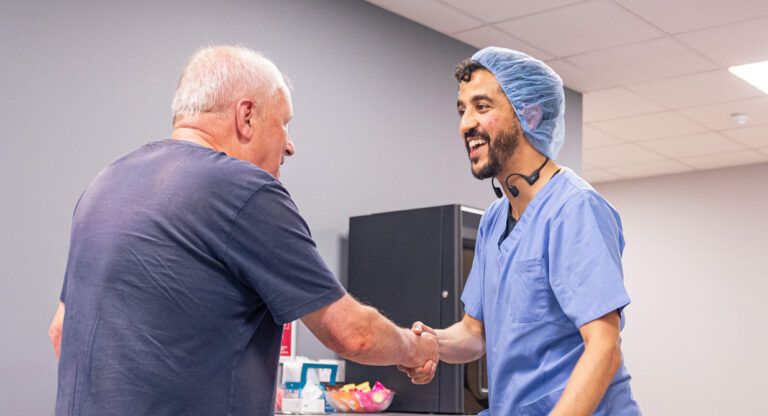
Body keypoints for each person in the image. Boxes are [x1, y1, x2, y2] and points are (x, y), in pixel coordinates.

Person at [48, 45, 437, 416]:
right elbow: (353, 335)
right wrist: (415, 349)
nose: (290, 146)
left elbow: (61, 331)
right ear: (246, 116)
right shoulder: (244, 189)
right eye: (284, 123)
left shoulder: (104, 184)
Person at [399, 47, 641, 415]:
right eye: (463, 110)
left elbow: (604, 348)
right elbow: (475, 333)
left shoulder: (574, 208)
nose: (466, 124)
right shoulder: (494, 219)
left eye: (482, 107)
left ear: (529, 114)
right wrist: (432, 343)